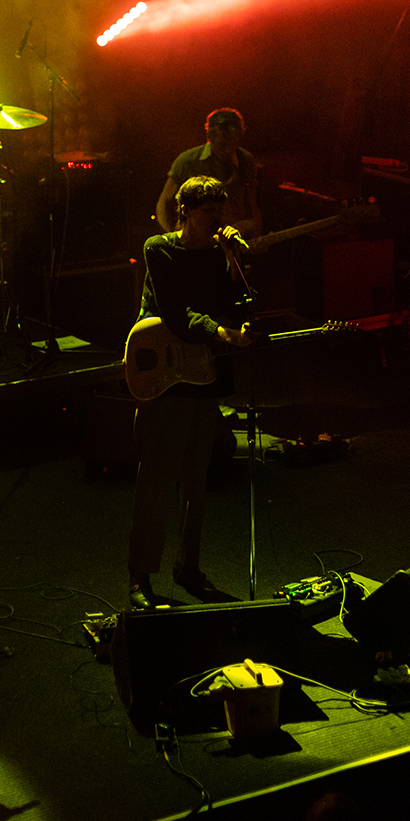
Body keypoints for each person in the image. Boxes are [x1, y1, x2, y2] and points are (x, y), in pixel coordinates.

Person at [127, 176, 259, 609]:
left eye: (221, 211)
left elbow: (236, 303)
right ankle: (140, 575)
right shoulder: (160, 249)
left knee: (196, 479)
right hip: (165, 370)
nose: (217, 219)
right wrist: (220, 331)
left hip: (203, 371)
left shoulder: (220, 252)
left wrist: (233, 264)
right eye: (209, 212)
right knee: (156, 478)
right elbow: (177, 312)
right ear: (184, 212)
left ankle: (189, 567)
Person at [154, 107, 262, 237]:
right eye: (222, 144)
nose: (228, 151)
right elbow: (163, 204)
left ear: (240, 135)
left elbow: (252, 206)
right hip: (195, 239)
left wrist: (256, 235)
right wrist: (172, 238)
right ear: (209, 136)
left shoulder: (246, 160)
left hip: (231, 239)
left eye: (232, 143)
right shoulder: (188, 161)